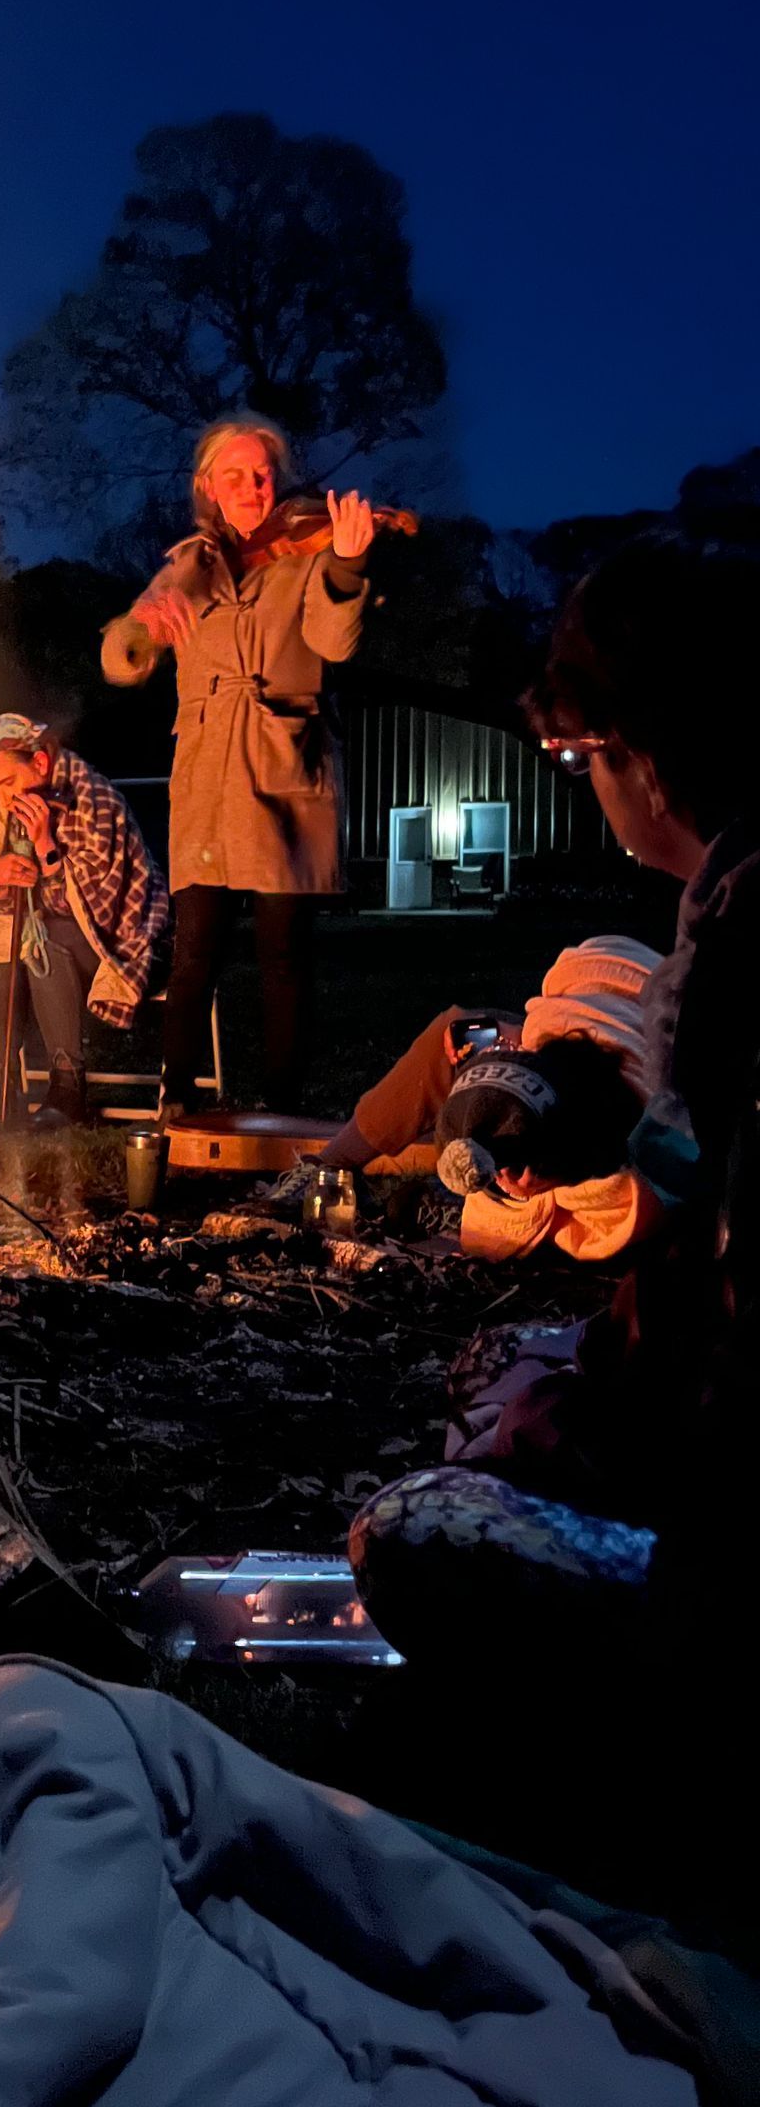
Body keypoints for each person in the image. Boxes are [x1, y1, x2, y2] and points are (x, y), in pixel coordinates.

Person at [349, 539, 760, 1674]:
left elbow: (708, 1290)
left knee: (410, 1528)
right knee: (509, 1355)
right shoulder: (725, 903)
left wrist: (581, 1422)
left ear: (647, 756)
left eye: (584, 758)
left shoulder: (738, 949)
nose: (591, 781)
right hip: (705, 1386)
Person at [103, 419, 376, 1116]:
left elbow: (333, 644)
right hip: (208, 776)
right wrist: (139, 630)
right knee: (196, 954)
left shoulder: (309, 553)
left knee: (285, 958)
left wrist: (347, 565)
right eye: (235, 475)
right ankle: (175, 1104)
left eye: (261, 473)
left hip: (285, 766)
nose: (252, 487)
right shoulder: (190, 565)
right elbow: (121, 657)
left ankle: (282, 1110)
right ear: (207, 487)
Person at [268, 937, 665, 1261]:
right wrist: (504, 1040)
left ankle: (449, 1198)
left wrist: (516, 1197)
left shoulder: (649, 1141)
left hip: (639, 1027)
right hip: (585, 1004)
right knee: (453, 1035)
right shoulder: (545, 1043)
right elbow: (550, 1041)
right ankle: (330, 1166)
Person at [0, 713, 168, 1127]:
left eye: (7, 784)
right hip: (46, 935)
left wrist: (45, 845)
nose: (2, 799)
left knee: (44, 938)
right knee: (5, 941)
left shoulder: (95, 801)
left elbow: (100, 912)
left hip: (122, 943)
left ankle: (68, 1088)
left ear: (40, 763)